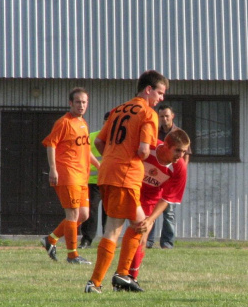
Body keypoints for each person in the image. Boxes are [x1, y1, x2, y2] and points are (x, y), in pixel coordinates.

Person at [85, 70, 168, 293]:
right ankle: (103, 280)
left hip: (107, 173)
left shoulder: (117, 109)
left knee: (127, 225)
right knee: (131, 226)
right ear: (148, 89)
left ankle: (114, 278)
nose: (161, 98)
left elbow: (100, 143)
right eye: (160, 93)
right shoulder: (148, 114)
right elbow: (142, 151)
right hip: (126, 175)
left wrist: (115, 155)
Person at [124, 128, 190, 289]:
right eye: (178, 151)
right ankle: (120, 275)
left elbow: (167, 198)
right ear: (166, 145)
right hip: (130, 188)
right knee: (116, 228)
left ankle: (131, 277)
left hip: (150, 199)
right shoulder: (149, 148)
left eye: (184, 151)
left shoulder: (179, 168)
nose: (181, 156)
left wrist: (151, 219)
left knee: (142, 234)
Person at [40, 87, 98, 264]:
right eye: (78, 102)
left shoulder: (83, 123)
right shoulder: (63, 122)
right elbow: (51, 144)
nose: (81, 105)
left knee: (84, 215)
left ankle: (50, 239)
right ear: (70, 103)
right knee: (72, 214)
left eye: (84, 102)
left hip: (82, 175)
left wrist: (99, 166)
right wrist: (53, 168)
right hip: (68, 173)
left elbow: (85, 150)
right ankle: (72, 255)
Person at [146, 104, 185, 249]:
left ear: (172, 116)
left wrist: (178, 174)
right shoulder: (154, 132)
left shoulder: (179, 134)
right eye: (161, 116)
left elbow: (184, 158)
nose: (164, 118)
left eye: (166, 116)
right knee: (151, 210)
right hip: (155, 175)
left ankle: (167, 243)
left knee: (169, 212)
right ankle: (148, 241)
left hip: (170, 176)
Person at [79, 113, 110, 250]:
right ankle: (87, 239)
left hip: (111, 181)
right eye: (107, 122)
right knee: (91, 209)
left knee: (109, 211)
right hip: (93, 181)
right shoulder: (92, 137)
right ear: (103, 122)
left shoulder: (119, 140)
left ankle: (108, 240)